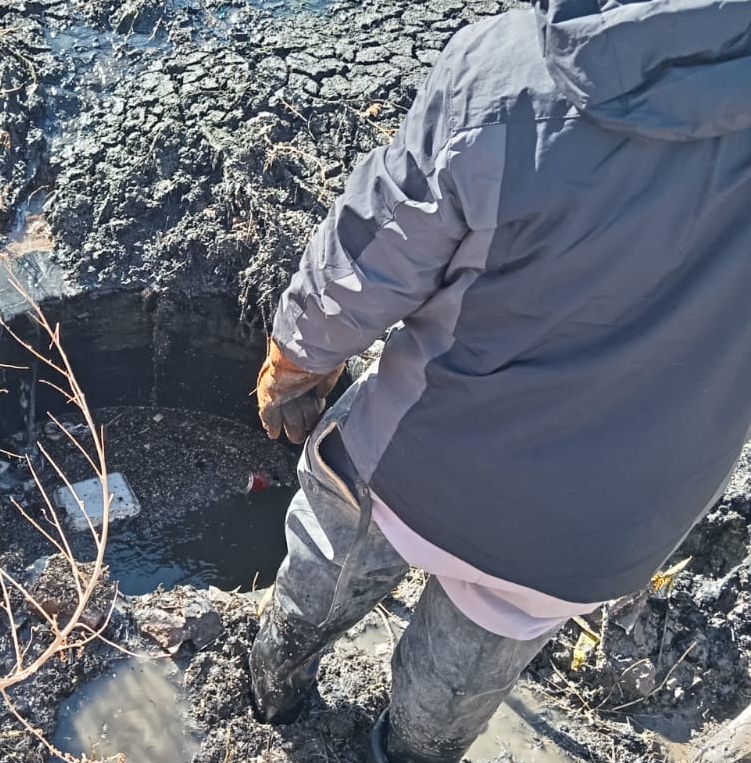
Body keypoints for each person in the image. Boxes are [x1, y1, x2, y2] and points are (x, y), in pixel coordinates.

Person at [251, 1, 751, 761]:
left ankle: (271, 691)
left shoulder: (511, 74)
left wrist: (297, 359)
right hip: (593, 534)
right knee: (467, 668)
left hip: (424, 462)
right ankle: (409, 750)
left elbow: (376, 249)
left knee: (339, 523)